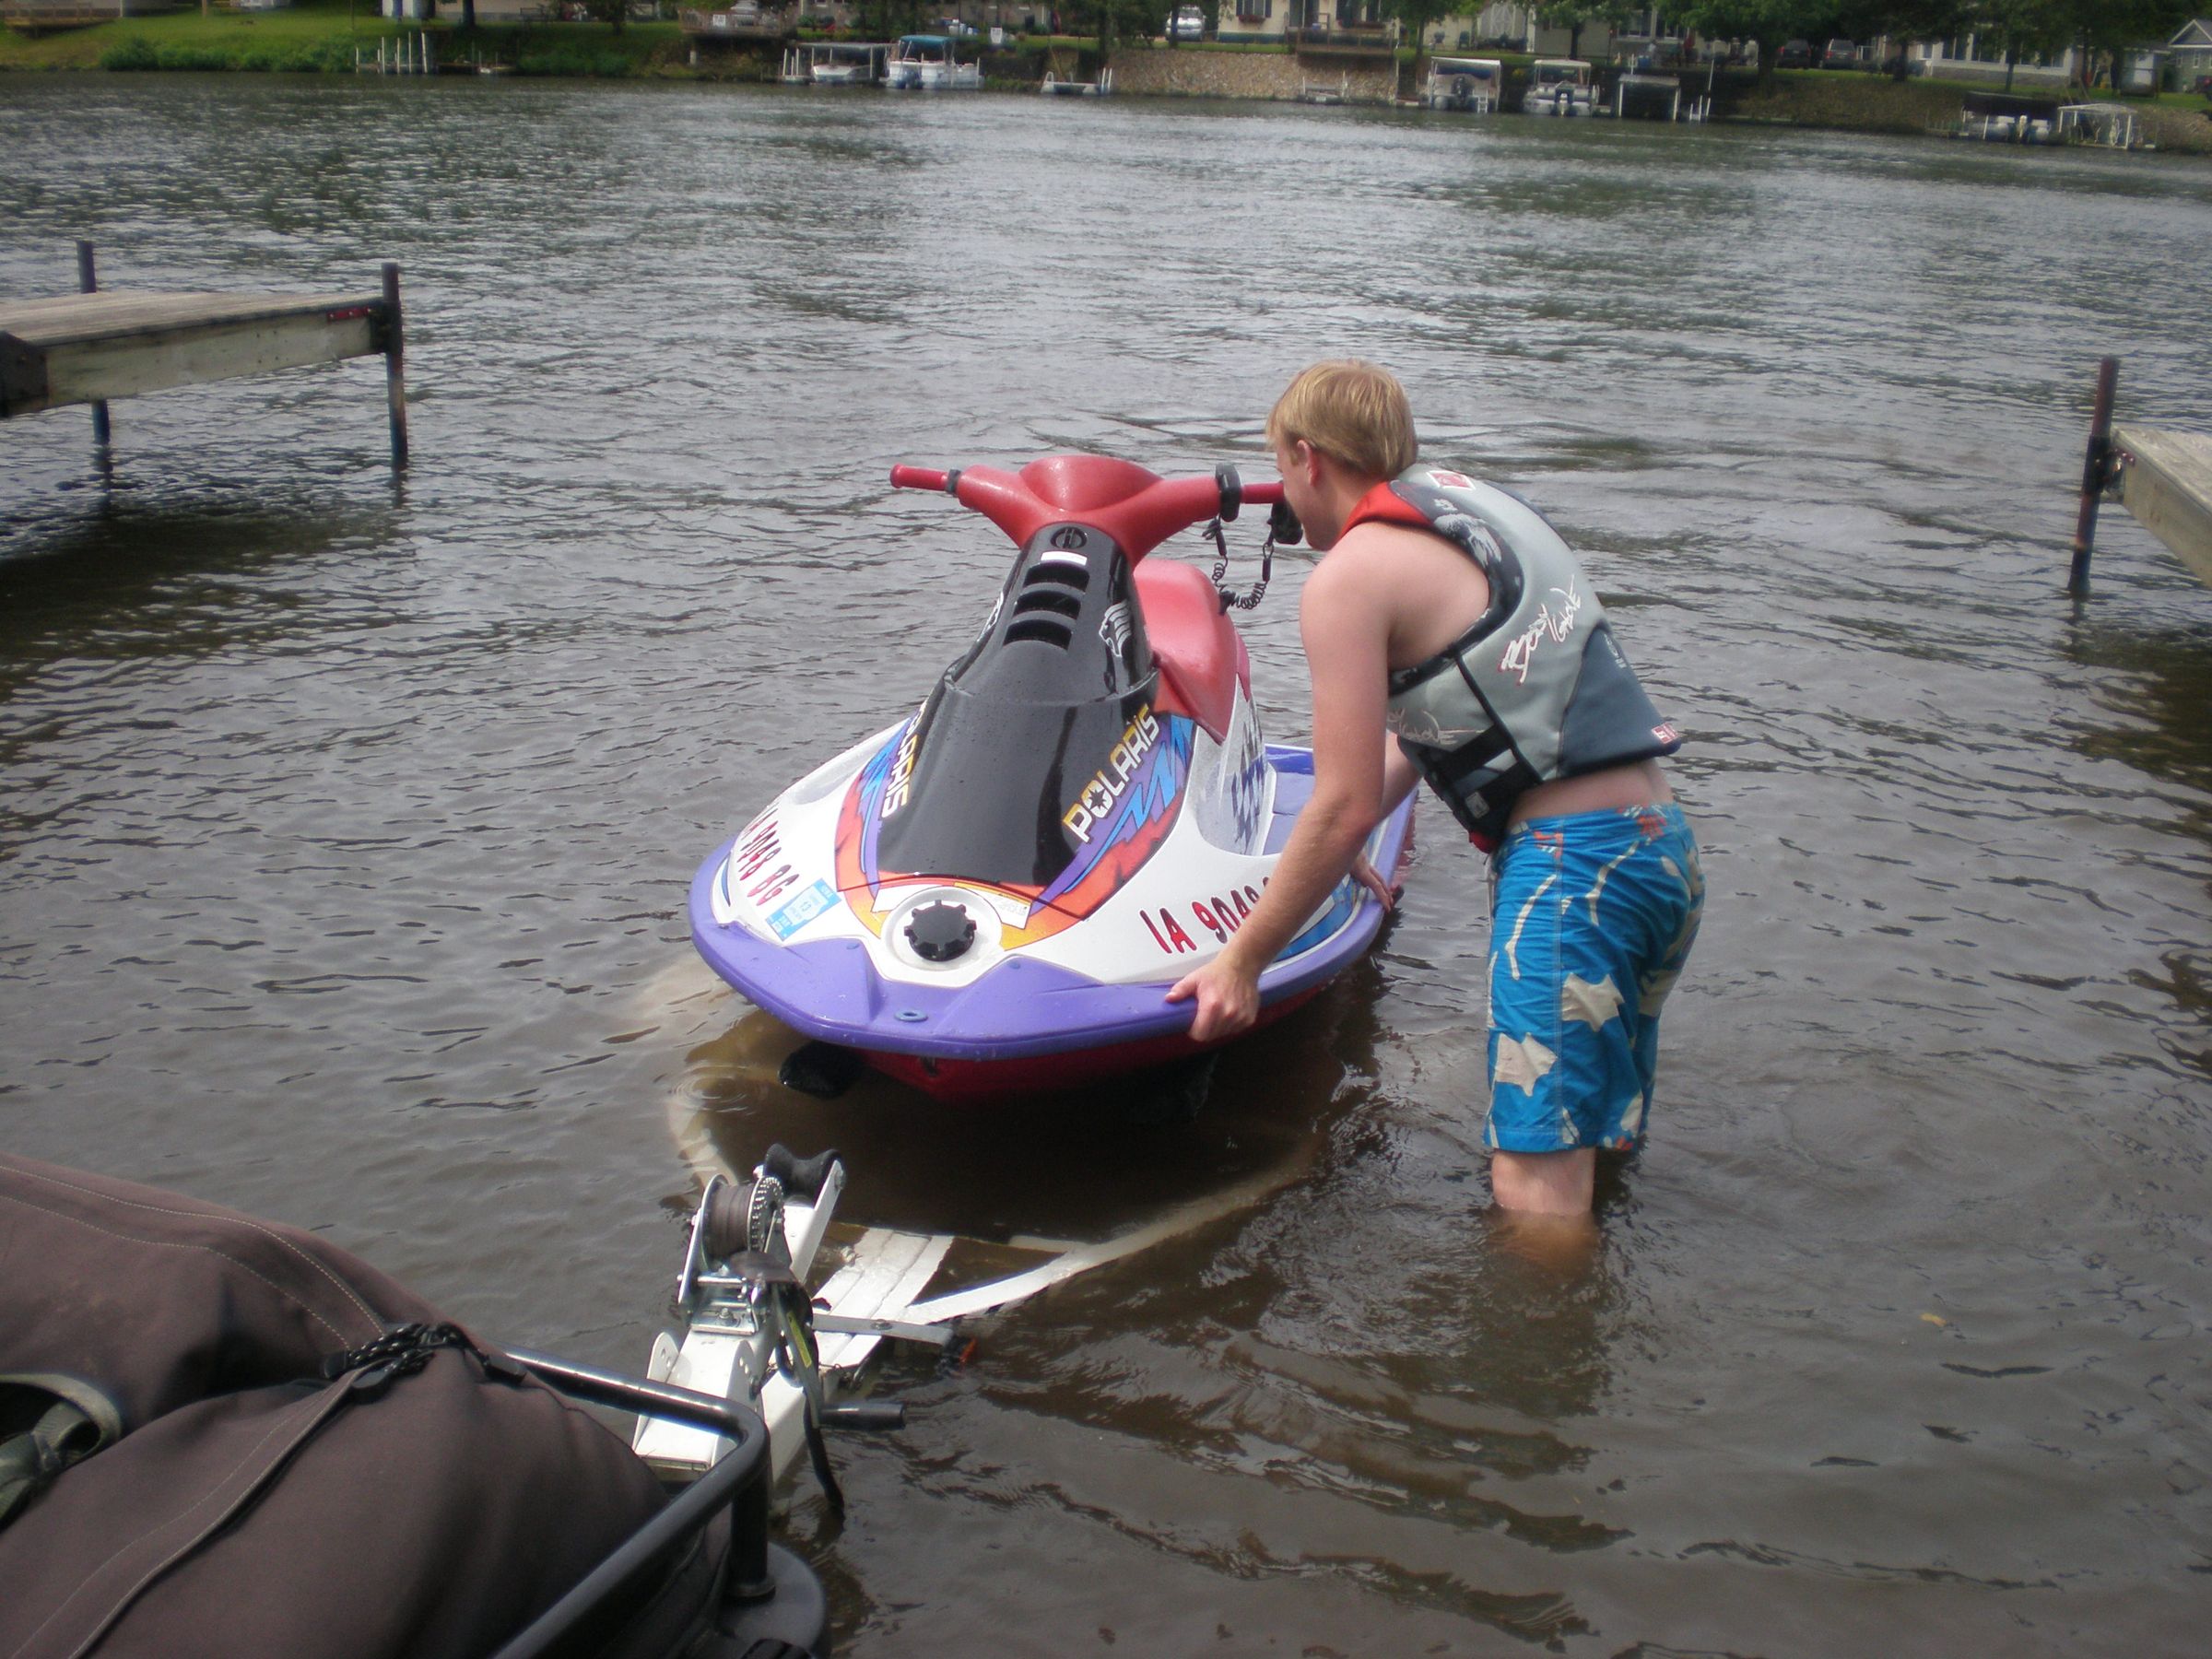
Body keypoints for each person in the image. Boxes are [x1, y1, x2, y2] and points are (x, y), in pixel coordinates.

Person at [1165, 360, 1703, 1217]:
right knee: (1595, 1144)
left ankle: (1540, 1342)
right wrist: (1330, 859)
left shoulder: (1349, 578)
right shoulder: (1466, 514)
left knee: (1533, 1183)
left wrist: (1241, 962)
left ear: (1308, 457)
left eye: (1280, 466)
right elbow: (1451, 723)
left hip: (1572, 875)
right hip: (1656, 854)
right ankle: (1595, 1318)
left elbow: (1338, 805)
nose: (1285, 497)